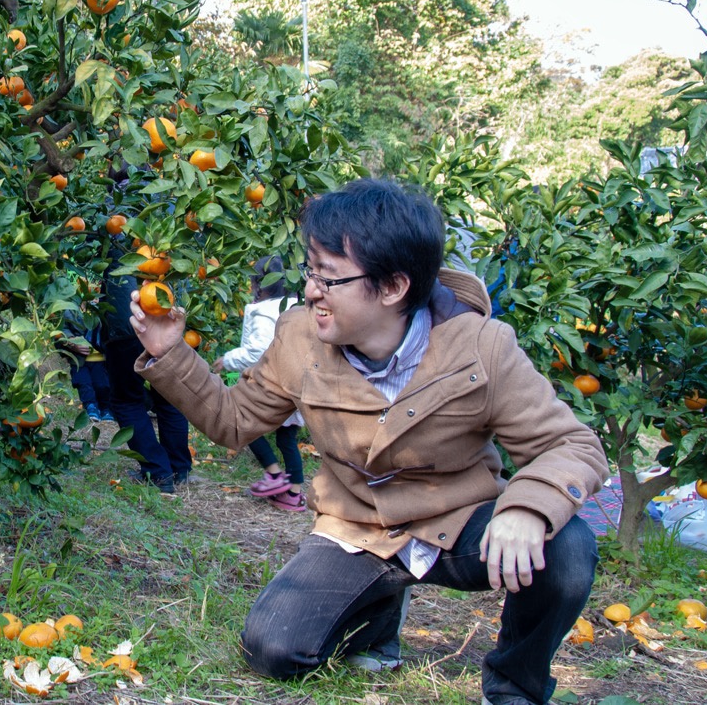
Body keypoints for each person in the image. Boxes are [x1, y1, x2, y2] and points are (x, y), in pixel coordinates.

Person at [129, 178, 608, 705]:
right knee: (274, 649)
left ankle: (516, 684)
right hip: (358, 527)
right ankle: (377, 618)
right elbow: (233, 421)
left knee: (565, 548)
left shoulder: (481, 347)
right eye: (311, 271)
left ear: (392, 287)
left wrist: (528, 508)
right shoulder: (299, 337)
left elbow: (573, 445)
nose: (311, 290)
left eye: (329, 278)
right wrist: (171, 355)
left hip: (457, 521)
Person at [211, 255, 306, 512]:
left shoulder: (265, 313)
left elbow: (258, 351)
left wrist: (228, 359)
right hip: (293, 385)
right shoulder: (294, 306)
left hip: (272, 384)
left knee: (246, 426)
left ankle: (274, 475)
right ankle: (295, 493)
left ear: (258, 283)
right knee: (287, 440)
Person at [100, 238, 192, 493]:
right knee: (169, 398)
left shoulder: (116, 213)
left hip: (126, 324)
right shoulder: (172, 213)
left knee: (126, 400)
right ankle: (179, 469)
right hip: (166, 315)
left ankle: (159, 473)